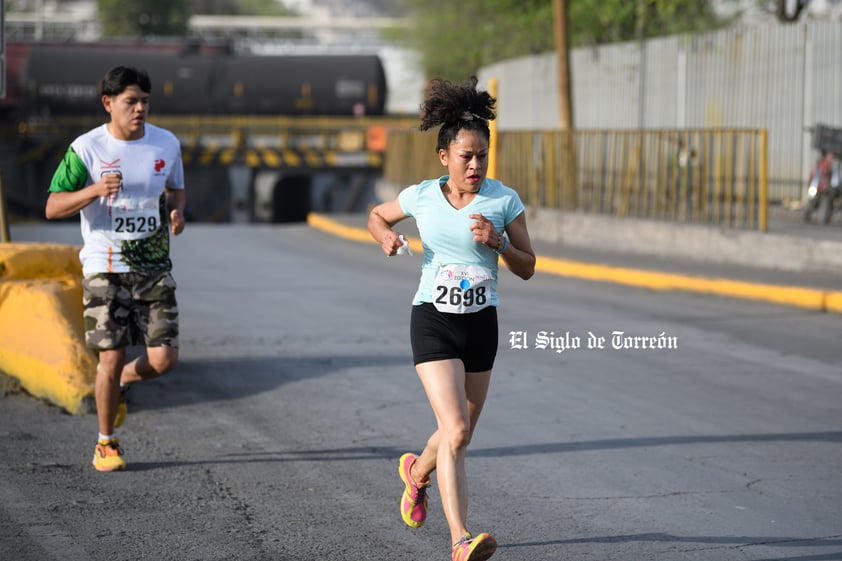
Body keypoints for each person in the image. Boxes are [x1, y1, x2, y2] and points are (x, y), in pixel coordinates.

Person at [367, 76, 535, 561]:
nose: (476, 165)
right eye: (467, 156)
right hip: (433, 321)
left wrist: (499, 243)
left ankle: (416, 472)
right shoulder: (422, 196)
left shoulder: (504, 201)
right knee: (457, 430)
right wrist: (384, 237)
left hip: (481, 326)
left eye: (482, 155)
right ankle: (461, 540)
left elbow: (528, 267)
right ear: (445, 157)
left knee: (459, 432)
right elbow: (377, 215)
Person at [45, 66, 186, 472]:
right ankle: (106, 443)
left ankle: (122, 380)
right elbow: (53, 206)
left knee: (164, 360)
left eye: (144, 101)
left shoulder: (166, 144)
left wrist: (177, 212)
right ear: (108, 104)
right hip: (104, 266)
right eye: (130, 102)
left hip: (154, 267)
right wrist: (94, 189)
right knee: (109, 356)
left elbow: (176, 187)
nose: (139, 109)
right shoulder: (86, 149)